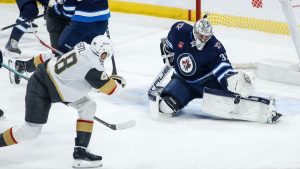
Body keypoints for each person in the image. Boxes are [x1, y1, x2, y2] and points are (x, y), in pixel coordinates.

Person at [0, 35, 126, 168]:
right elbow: (111, 90)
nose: (104, 57)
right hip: (42, 86)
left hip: (58, 85)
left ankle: (80, 152)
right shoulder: (93, 66)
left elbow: (80, 71)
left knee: (88, 105)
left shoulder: (83, 46)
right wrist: (119, 82)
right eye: (104, 54)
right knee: (31, 131)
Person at [148, 18, 282, 123]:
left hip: (206, 82)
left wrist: (231, 80)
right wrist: (168, 51)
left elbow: (223, 68)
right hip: (182, 82)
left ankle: (262, 109)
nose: (204, 39)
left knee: (231, 93)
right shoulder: (179, 30)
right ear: (195, 31)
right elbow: (169, 45)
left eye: (207, 36)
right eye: (201, 36)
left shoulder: (214, 47)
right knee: (165, 107)